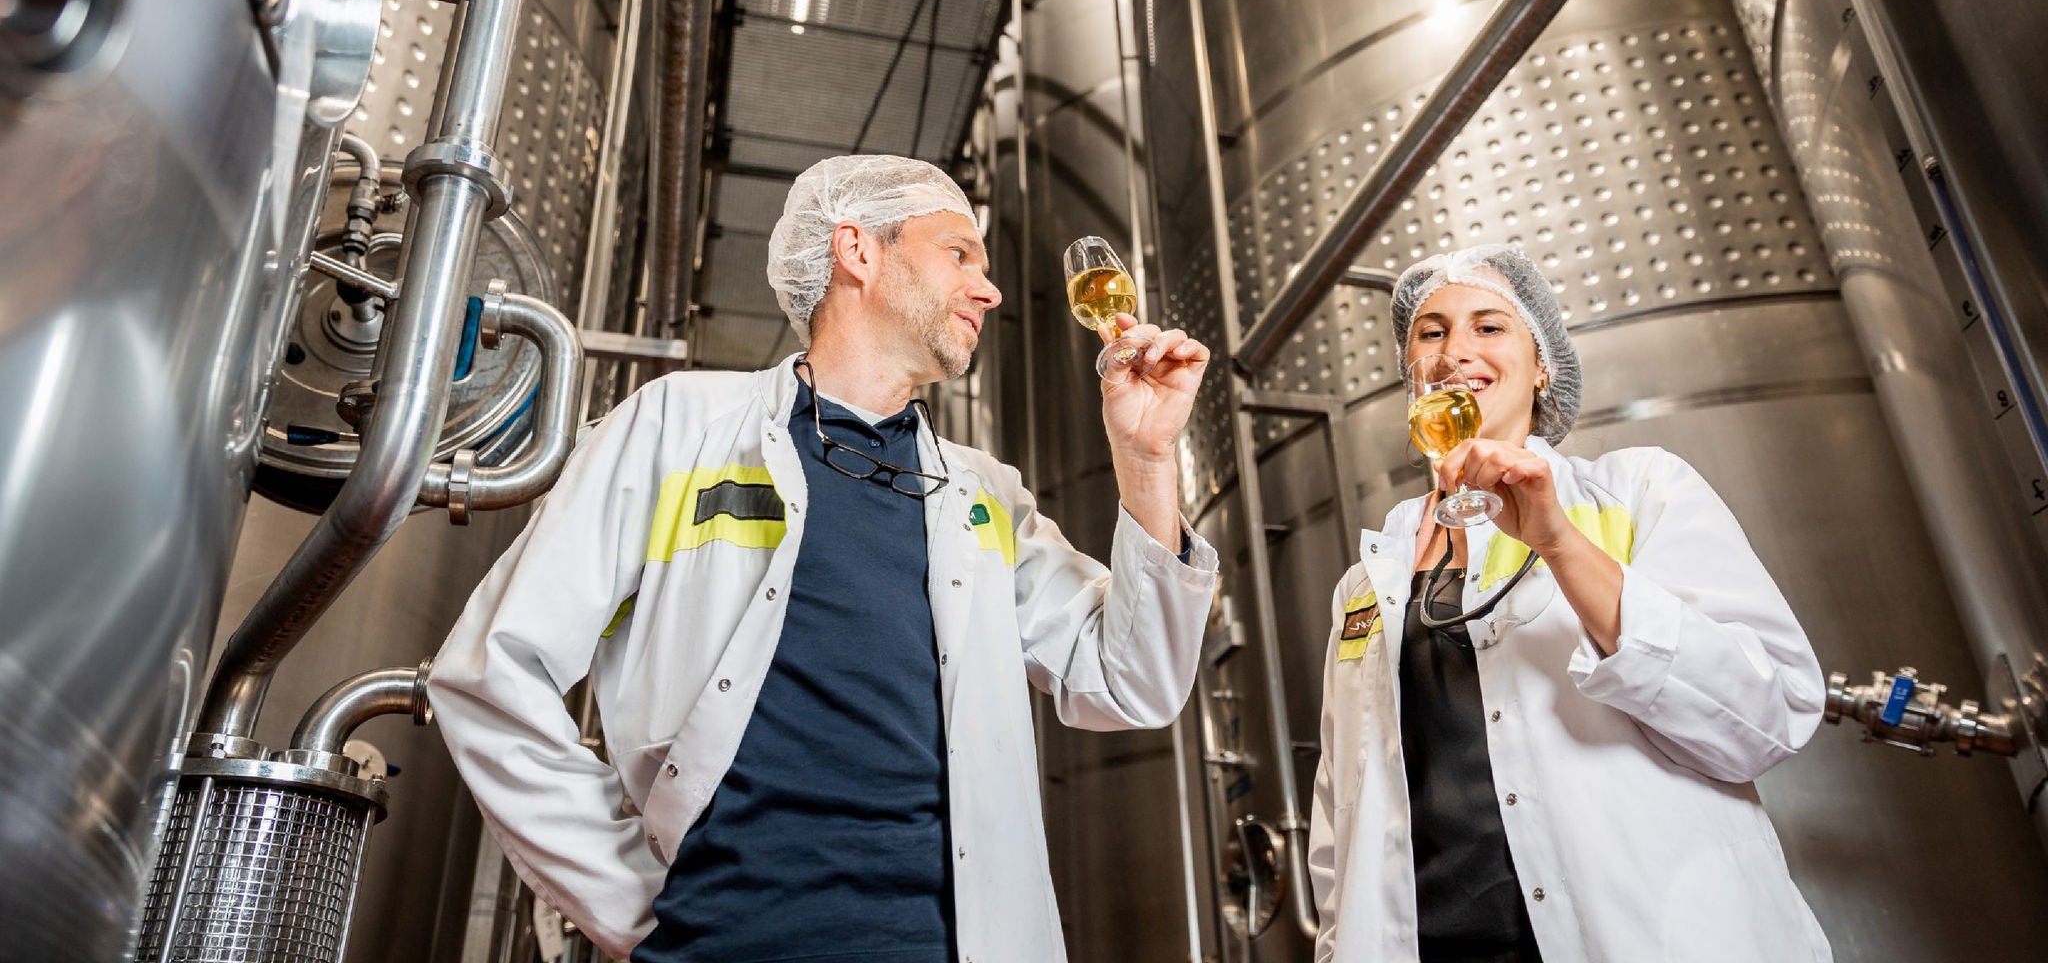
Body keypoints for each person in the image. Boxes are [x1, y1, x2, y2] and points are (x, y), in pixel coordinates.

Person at [428, 155, 1219, 963]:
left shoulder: (983, 494)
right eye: (959, 254)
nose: (991, 290)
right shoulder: (679, 427)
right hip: (724, 944)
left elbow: (1132, 684)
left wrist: (1147, 458)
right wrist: (636, 900)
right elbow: (492, 672)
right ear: (858, 251)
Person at [1307, 244, 1831, 963]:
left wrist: (1559, 541)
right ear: (1411, 374)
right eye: (1430, 333)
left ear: (1542, 363)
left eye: (1489, 327)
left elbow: (1766, 717)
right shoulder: (1368, 581)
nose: (1456, 350)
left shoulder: (1640, 491)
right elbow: (1341, 825)